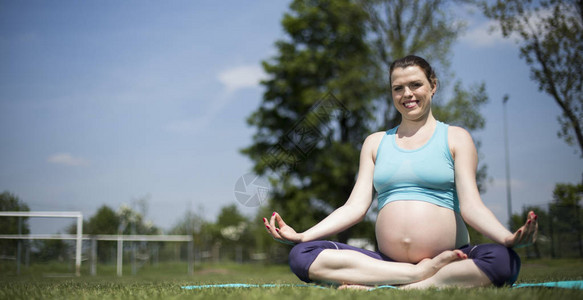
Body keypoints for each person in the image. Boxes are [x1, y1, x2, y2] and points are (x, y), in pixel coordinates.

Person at [262, 55, 538, 289]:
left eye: (415, 85)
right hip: (387, 263)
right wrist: (303, 236)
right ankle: (415, 276)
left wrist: (506, 237)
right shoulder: (375, 142)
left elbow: (471, 206)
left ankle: (415, 288)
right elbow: (355, 207)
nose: (407, 94)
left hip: (452, 257)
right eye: (398, 88)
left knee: (505, 260)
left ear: (433, 86)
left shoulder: (455, 138)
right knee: (302, 255)